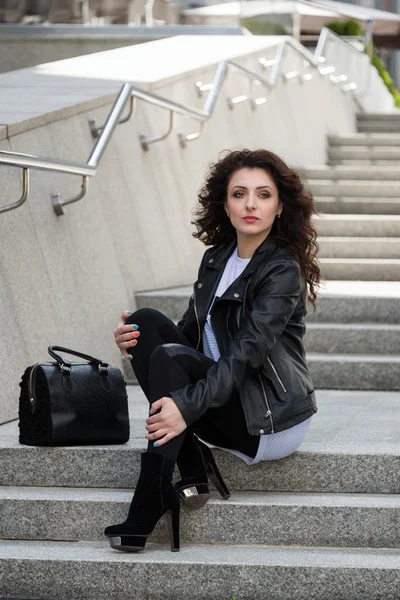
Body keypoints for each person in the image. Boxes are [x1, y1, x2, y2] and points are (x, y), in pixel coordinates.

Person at [104, 148, 321, 553]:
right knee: (145, 323)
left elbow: (243, 357)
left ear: (279, 208)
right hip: (221, 400)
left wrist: (184, 407)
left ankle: (152, 493)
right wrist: (131, 341)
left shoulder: (281, 269)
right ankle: (189, 458)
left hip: (268, 416)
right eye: (239, 194)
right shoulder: (217, 260)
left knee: (169, 359)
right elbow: (187, 339)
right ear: (225, 204)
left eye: (263, 194)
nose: (251, 204)